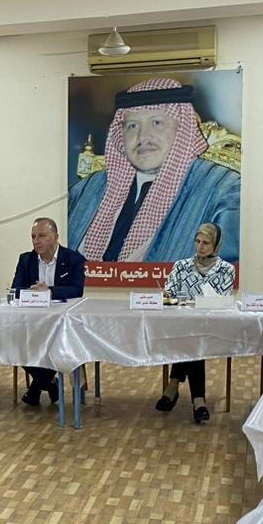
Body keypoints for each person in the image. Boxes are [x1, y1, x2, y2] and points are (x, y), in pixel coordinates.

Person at [69, 78, 240, 263]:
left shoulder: (225, 192)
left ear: (182, 128)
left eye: (157, 123)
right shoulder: (84, 190)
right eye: (132, 126)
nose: (143, 137)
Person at [156, 223, 234, 424]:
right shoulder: (181, 266)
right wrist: (165, 295)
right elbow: (170, 294)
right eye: (197, 241)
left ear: (216, 244)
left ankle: (173, 385)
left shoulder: (226, 270)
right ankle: (198, 400)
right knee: (191, 336)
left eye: (206, 243)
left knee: (193, 337)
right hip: (181, 325)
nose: (200, 246)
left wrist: (197, 303)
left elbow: (223, 300)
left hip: (212, 327)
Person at [10, 217, 86, 407]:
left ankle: (38, 387)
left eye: (42, 236)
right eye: (33, 236)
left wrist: (50, 291)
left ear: (55, 236)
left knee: (56, 343)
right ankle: (48, 383)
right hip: (32, 321)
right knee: (16, 342)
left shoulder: (73, 259)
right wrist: (33, 292)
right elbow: (16, 289)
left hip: (61, 322)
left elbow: (77, 289)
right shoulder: (26, 259)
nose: (36, 241)